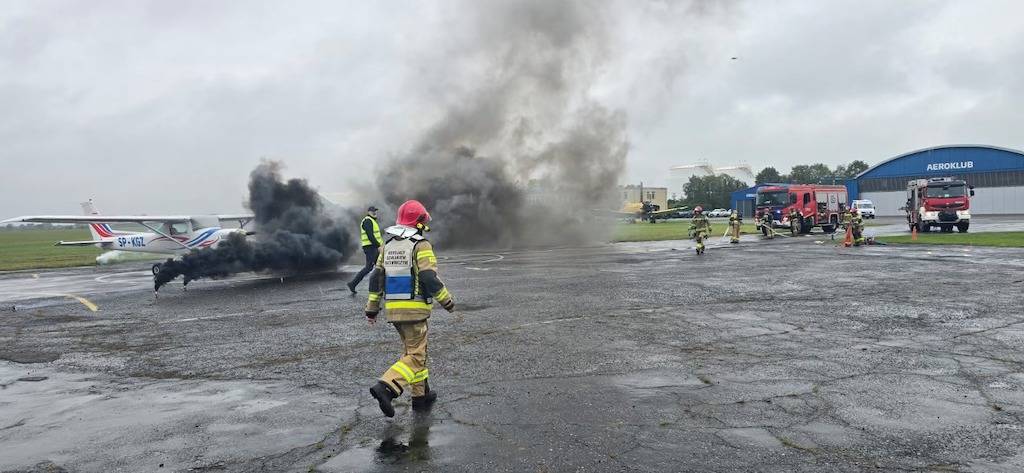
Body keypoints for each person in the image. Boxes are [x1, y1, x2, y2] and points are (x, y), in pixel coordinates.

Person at [365, 200, 455, 417]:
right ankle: (387, 386)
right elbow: (428, 277)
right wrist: (447, 301)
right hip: (414, 310)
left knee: (414, 352)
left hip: (394, 310)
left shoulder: (387, 246)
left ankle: (420, 395)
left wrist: (372, 309)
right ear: (419, 222)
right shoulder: (420, 245)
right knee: (415, 356)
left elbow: (376, 278)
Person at [347, 206, 383, 294]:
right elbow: (370, 236)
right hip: (371, 248)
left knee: (380, 266)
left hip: (373, 247)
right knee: (369, 267)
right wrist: (378, 246)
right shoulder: (367, 221)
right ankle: (353, 284)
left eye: (375, 211)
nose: (374, 212)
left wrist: (380, 245)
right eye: (372, 211)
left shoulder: (372, 221)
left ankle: (380, 287)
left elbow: (375, 236)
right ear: (368, 212)